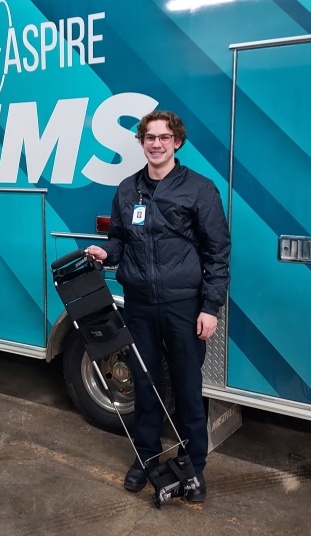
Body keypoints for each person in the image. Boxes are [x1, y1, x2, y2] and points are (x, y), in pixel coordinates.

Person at [86, 110, 231, 502]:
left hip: (184, 306)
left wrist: (210, 307)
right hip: (139, 306)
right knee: (145, 386)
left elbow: (217, 253)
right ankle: (146, 458)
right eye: (149, 137)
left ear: (177, 142)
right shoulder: (127, 190)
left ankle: (193, 466)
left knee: (187, 388)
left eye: (164, 137)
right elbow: (120, 240)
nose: (156, 144)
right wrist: (106, 253)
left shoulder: (199, 189)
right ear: (141, 141)